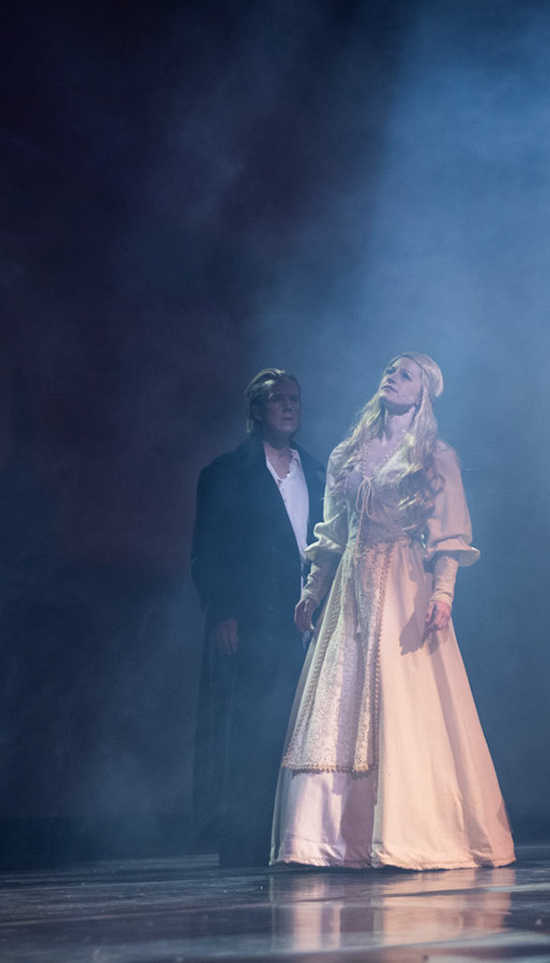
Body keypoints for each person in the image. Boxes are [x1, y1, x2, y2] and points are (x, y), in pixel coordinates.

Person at [272, 352, 514, 870]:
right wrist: (313, 591)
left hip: (404, 582)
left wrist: (443, 593)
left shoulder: (434, 457)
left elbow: (449, 534)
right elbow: (333, 533)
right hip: (351, 590)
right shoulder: (347, 454)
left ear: (422, 394)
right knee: (338, 705)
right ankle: (331, 839)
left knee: (404, 703)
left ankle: (406, 833)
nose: (393, 377)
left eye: (406, 375)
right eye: (389, 370)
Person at [191, 367, 327, 868]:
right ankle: (245, 844)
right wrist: (222, 610)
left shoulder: (318, 472)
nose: (289, 407)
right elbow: (208, 552)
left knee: (304, 731)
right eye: (278, 399)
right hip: (254, 621)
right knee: (252, 733)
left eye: (295, 399)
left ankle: (299, 839)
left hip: (308, 623)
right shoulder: (226, 473)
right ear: (256, 410)